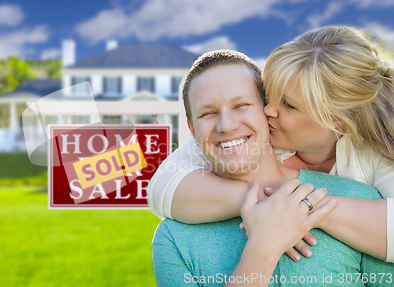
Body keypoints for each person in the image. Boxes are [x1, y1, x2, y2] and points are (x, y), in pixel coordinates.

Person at [148, 26, 394, 262]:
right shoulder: (258, 135)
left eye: (288, 104)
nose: (267, 109)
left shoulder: (374, 152)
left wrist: (300, 207)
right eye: (269, 95)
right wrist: (261, 201)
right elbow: (163, 186)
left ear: (336, 122)